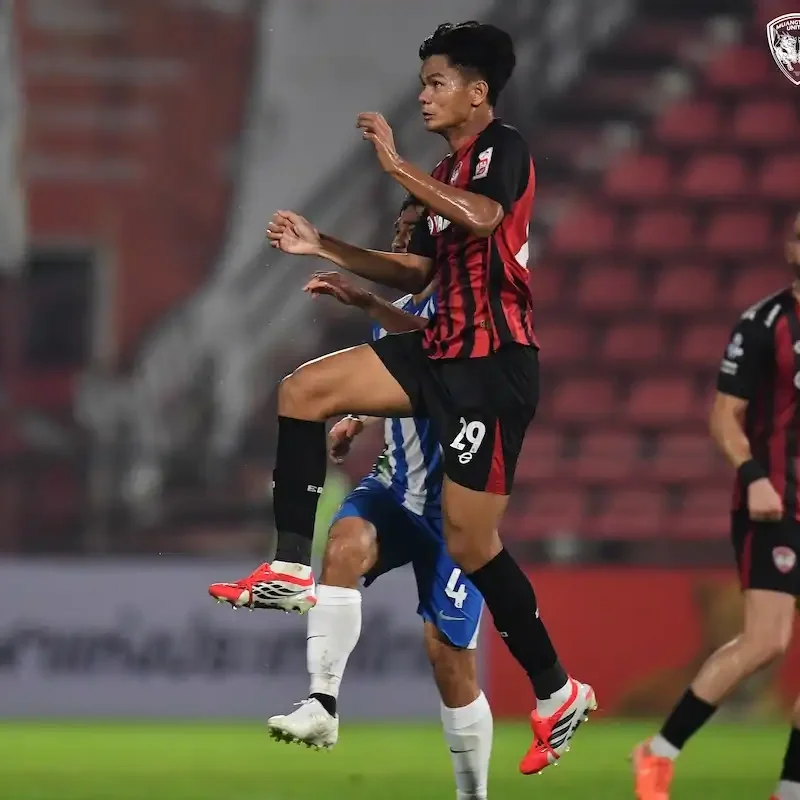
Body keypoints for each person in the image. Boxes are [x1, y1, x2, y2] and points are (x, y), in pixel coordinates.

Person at [211, 21, 595, 773]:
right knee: (304, 388)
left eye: (436, 82)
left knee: (473, 545)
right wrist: (323, 244)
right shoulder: (448, 173)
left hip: (493, 368)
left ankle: (556, 691)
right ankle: (290, 569)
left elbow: (484, 218)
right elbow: (417, 276)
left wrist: (392, 163)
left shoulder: (501, 151)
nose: (422, 94)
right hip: (440, 352)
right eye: (423, 82)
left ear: (477, 92)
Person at [265, 198, 493, 800]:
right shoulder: (398, 311)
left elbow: (438, 350)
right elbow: (403, 380)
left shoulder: (466, 304)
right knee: (341, 546)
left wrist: (369, 302)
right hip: (395, 486)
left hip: (455, 509)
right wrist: (359, 417)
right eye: (397, 226)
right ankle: (321, 704)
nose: (400, 234)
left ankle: (474, 795)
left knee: (448, 659)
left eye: (412, 227)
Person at [632, 211, 800, 800]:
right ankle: (657, 752)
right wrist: (753, 475)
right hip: (774, 505)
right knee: (766, 641)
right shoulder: (763, 324)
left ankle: (790, 788)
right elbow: (722, 416)